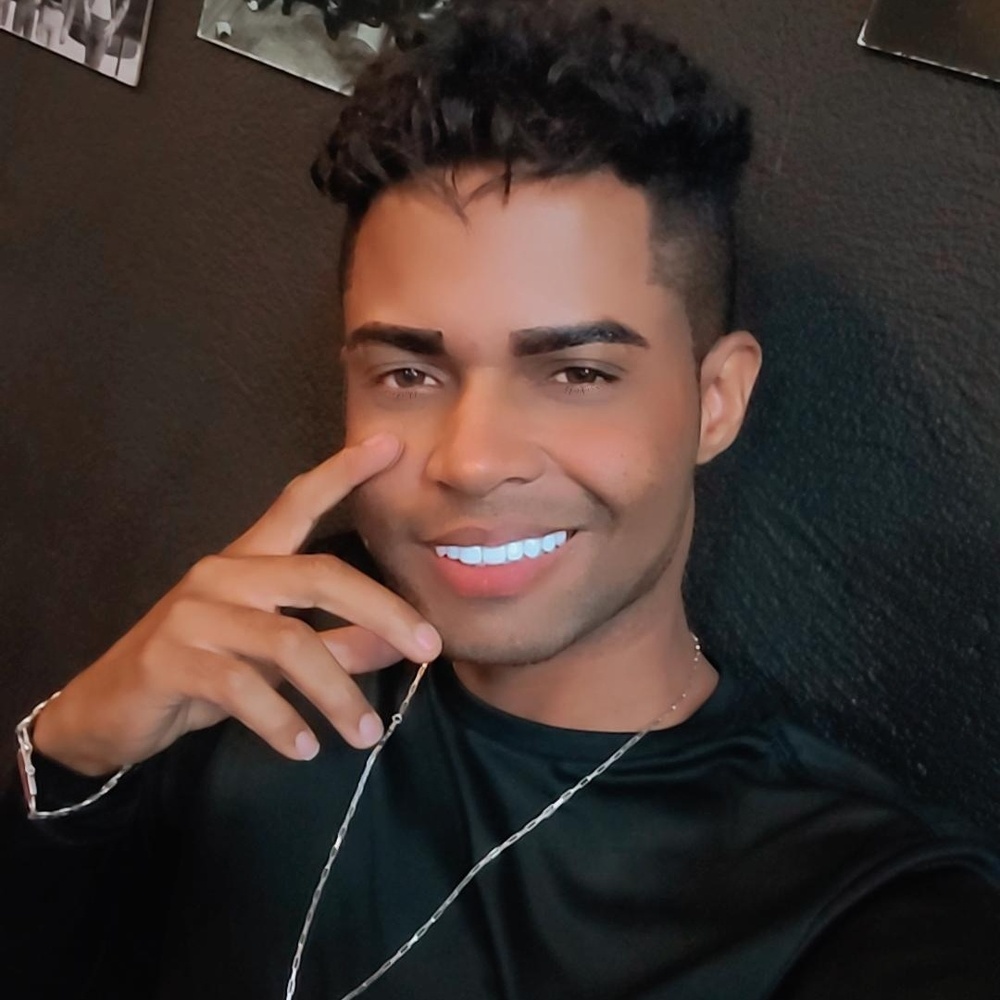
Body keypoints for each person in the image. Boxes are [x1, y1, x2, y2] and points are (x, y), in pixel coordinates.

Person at [3, 2, 1000, 998]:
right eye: (407, 373)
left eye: (577, 373)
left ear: (715, 402)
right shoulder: (271, 645)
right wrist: (74, 749)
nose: (472, 463)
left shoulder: (857, 909)